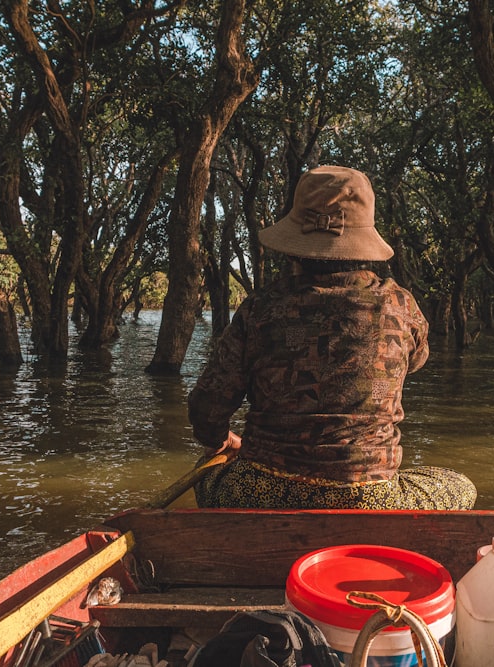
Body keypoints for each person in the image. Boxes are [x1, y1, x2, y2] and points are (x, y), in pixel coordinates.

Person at [187, 165, 476, 510]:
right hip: (370, 499)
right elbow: (414, 362)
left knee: (205, 472)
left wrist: (224, 440)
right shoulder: (400, 305)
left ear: (294, 243)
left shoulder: (260, 308)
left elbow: (206, 408)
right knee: (462, 486)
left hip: (264, 491)